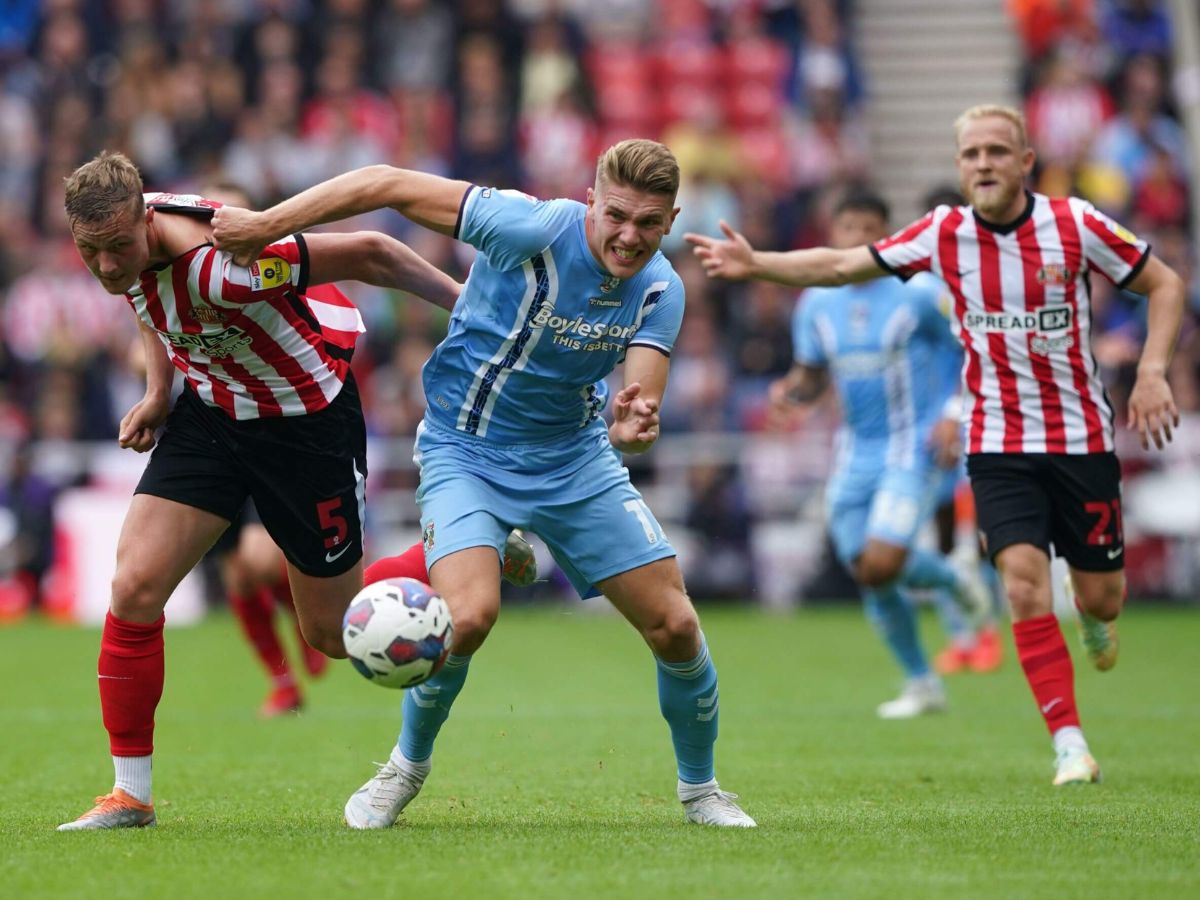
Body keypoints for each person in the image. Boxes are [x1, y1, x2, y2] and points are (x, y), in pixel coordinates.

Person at [213, 138, 756, 828]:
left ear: (672, 220)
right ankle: (403, 769)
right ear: (590, 199)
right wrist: (266, 225)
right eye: (616, 215)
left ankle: (702, 792)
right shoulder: (528, 225)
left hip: (574, 459)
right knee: (467, 618)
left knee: (676, 625)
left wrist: (634, 424)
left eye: (649, 223)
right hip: (465, 452)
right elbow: (384, 181)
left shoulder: (660, 290)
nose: (629, 236)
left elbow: (637, 407)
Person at [686, 104, 1184, 785]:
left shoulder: (1075, 224)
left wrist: (1152, 372)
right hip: (997, 441)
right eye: (971, 153)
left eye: (997, 151)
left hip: (1080, 438)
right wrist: (757, 264)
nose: (984, 163)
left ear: (1025, 161)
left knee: (1101, 598)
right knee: (1022, 585)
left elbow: (1164, 282)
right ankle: (1069, 743)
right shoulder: (945, 233)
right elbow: (841, 265)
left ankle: (1096, 611)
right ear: (959, 166)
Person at [56, 151, 474, 830]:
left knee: (333, 634)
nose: (105, 266)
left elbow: (371, 253)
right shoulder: (126, 240)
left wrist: (468, 305)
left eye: (116, 249)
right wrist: (159, 391)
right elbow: (147, 301)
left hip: (305, 427)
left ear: (144, 222)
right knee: (133, 586)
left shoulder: (226, 265)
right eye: (89, 251)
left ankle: (464, 546)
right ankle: (130, 795)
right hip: (213, 415)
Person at [770, 191, 990, 719]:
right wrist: (791, 392)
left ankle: (953, 582)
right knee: (868, 571)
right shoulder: (817, 302)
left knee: (884, 561)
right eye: (848, 227)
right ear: (834, 233)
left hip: (912, 448)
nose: (858, 238)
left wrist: (953, 412)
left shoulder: (920, 292)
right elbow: (812, 372)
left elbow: (972, 349)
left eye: (870, 229)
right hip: (854, 454)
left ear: (887, 235)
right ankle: (923, 680)